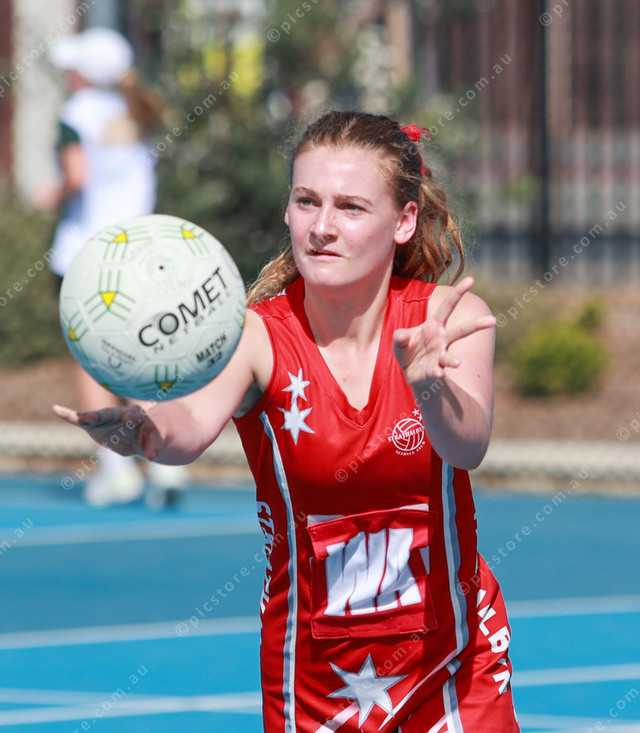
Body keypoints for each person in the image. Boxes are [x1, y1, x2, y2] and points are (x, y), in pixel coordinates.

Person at [54, 110, 519, 730]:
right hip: (318, 679)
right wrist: (141, 432)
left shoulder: (447, 318)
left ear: (404, 221)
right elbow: (187, 429)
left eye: (350, 207)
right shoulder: (257, 335)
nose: (322, 227)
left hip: (455, 661)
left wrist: (429, 387)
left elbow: (468, 447)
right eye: (306, 201)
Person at [38, 27, 187, 508]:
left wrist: (51, 194)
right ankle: (166, 460)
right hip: (138, 252)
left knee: (92, 362)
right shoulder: (137, 110)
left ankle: (116, 467)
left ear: (84, 72)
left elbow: (77, 175)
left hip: (85, 254)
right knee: (141, 356)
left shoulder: (76, 112)